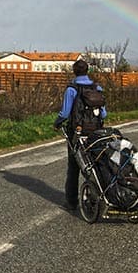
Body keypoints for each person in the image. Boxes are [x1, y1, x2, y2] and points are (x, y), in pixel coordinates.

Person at [53, 59, 107, 210]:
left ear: (74, 71)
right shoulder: (97, 87)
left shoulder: (72, 89)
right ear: (87, 70)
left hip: (77, 132)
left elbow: (64, 113)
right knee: (95, 164)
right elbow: (103, 114)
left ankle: (71, 201)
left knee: (74, 166)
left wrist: (57, 123)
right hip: (96, 132)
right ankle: (96, 195)